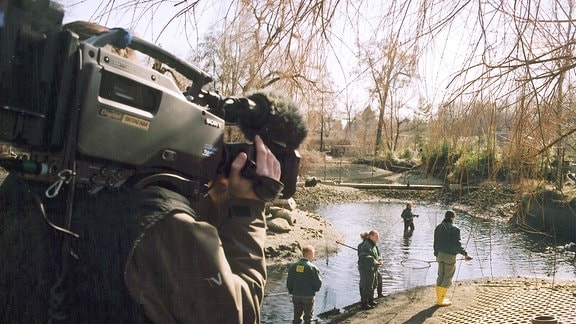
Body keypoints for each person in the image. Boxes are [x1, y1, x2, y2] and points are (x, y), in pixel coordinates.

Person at [433, 210, 473, 307]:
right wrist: (465, 254)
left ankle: (439, 298)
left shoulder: (438, 227)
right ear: (452, 218)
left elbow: (435, 243)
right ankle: (441, 300)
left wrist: (436, 255)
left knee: (440, 275)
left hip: (440, 255)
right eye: (454, 217)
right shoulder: (455, 229)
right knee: (448, 277)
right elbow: (457, 245)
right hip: (450, 257)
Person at [286, 245, 322, 324]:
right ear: (309, 254)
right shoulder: (312, 267)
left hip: (296, 296)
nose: (313, 256)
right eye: (313, 254)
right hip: (308, 296)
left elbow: (289, 281)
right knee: (308, 318)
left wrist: (291, 290)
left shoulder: (293, 266)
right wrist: (315, 289)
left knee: (297, 317)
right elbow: (318, 283)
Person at [357, 230, 382, 310]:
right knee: (366, 286)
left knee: (373, 284)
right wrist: (372, 260)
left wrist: (380, 260)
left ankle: (371, 301)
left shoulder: (374, 245)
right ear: (371, 236)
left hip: (373, 269)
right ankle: (364, 304)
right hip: (366, 269)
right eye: (376, 236)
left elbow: (378, 254)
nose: (378, 238)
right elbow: (363, 256)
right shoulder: (365, 245)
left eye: (378, 237)